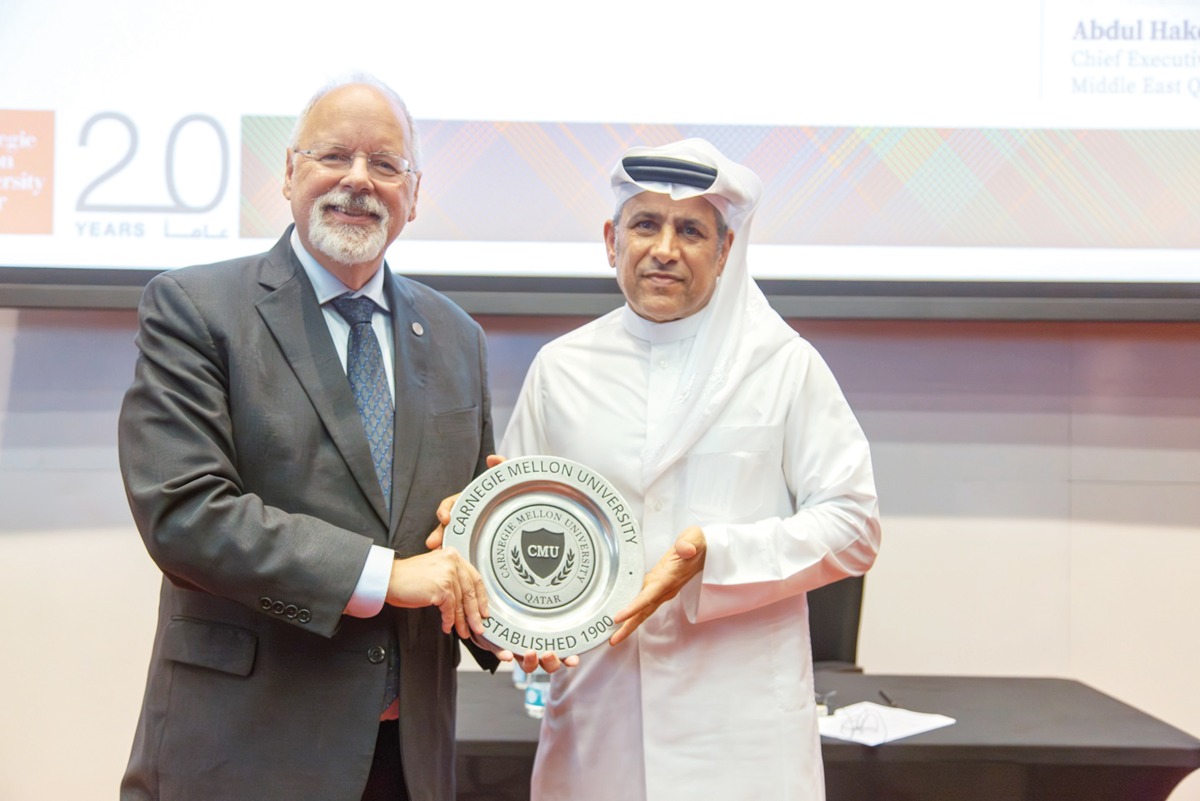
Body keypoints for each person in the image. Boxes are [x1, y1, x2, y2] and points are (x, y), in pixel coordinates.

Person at [118, 74, 500, 801]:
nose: (359, 180)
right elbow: (184, 513)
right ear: (289, 173)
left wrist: (512, 600)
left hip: (407, 760)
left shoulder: (457, 336)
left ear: (413, 195)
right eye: (334, 156)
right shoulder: (196, 309)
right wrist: (384, 574)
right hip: (242, 755)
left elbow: (457, 534)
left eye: (386, 165)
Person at [497, 139, 882, 800]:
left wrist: (715, 555)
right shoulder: (559, 371)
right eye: (646, 224)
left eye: (691, 230)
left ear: (726, 251)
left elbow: (854, 525)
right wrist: (516, 616)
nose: (665, 248)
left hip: (741, 734)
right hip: (598, 724)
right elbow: (520, 532)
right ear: (611, 239)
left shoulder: (784, 365)